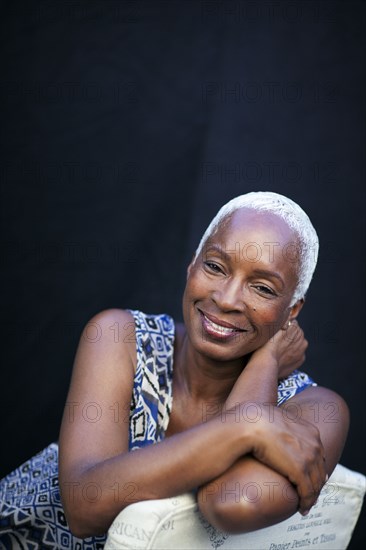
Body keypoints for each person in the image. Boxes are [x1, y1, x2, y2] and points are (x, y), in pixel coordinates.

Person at [0, 191, 349, 548]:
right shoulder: (121, 337)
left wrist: (266, 364)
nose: (226, 299)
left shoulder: (314, 409)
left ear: (292, 310)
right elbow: (83, 509)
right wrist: (250, 425)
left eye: (262, 288)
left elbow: (230, 502)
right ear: (192, 265)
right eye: (214, 266)